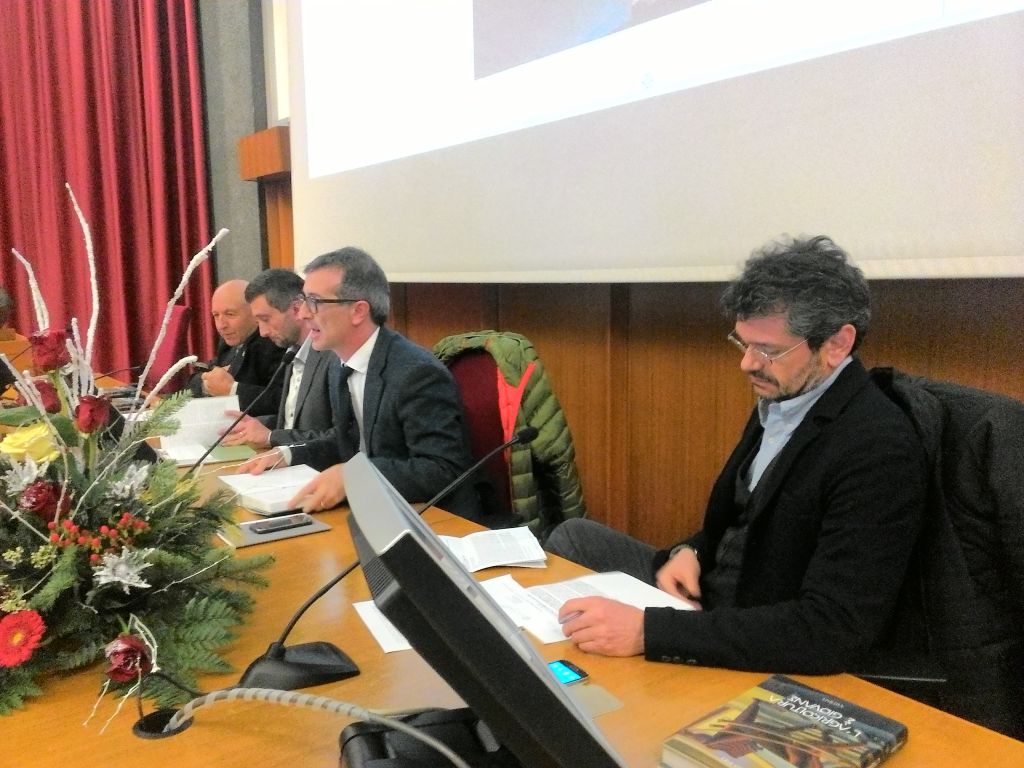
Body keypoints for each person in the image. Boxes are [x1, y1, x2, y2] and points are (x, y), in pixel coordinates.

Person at [546, 234, 927, 675]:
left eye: (768, 350)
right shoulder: (784, 397)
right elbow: (742, 522)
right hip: (707, 596)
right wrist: (691, 551)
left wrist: (648, 632)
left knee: (588, 635)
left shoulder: (878, 447)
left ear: (837, 343)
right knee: (574, 536)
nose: (747, 363)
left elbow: (831, 629)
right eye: (743, 343)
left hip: (756, 631)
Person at [238, 247, 481, 522]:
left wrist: (353, 476)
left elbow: (441, 469)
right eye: (304, 300)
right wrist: (288, 454)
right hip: (375, 508)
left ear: (358, 311)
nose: (303, 313)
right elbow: (346, 441)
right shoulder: (338, 364)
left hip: (433, 520)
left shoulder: (416, 373)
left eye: (314, 302)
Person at [218, 269, 336, 449]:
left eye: (265, 319)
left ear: (297, 309)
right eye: (258, 322)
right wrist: (256, 425)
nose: (263, 332)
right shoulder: (291, 354)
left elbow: (340, 438)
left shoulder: (333, 357)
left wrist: (271, 436)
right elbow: (291, 424)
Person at [186, 279, 287, 418]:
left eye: (230, 314)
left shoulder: (273, 343)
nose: (221, 325)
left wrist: (231, 390)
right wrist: (206, 383)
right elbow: (195, 380)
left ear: (254, 313)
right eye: (216, 315)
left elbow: (283, 402)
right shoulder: (231, 340)